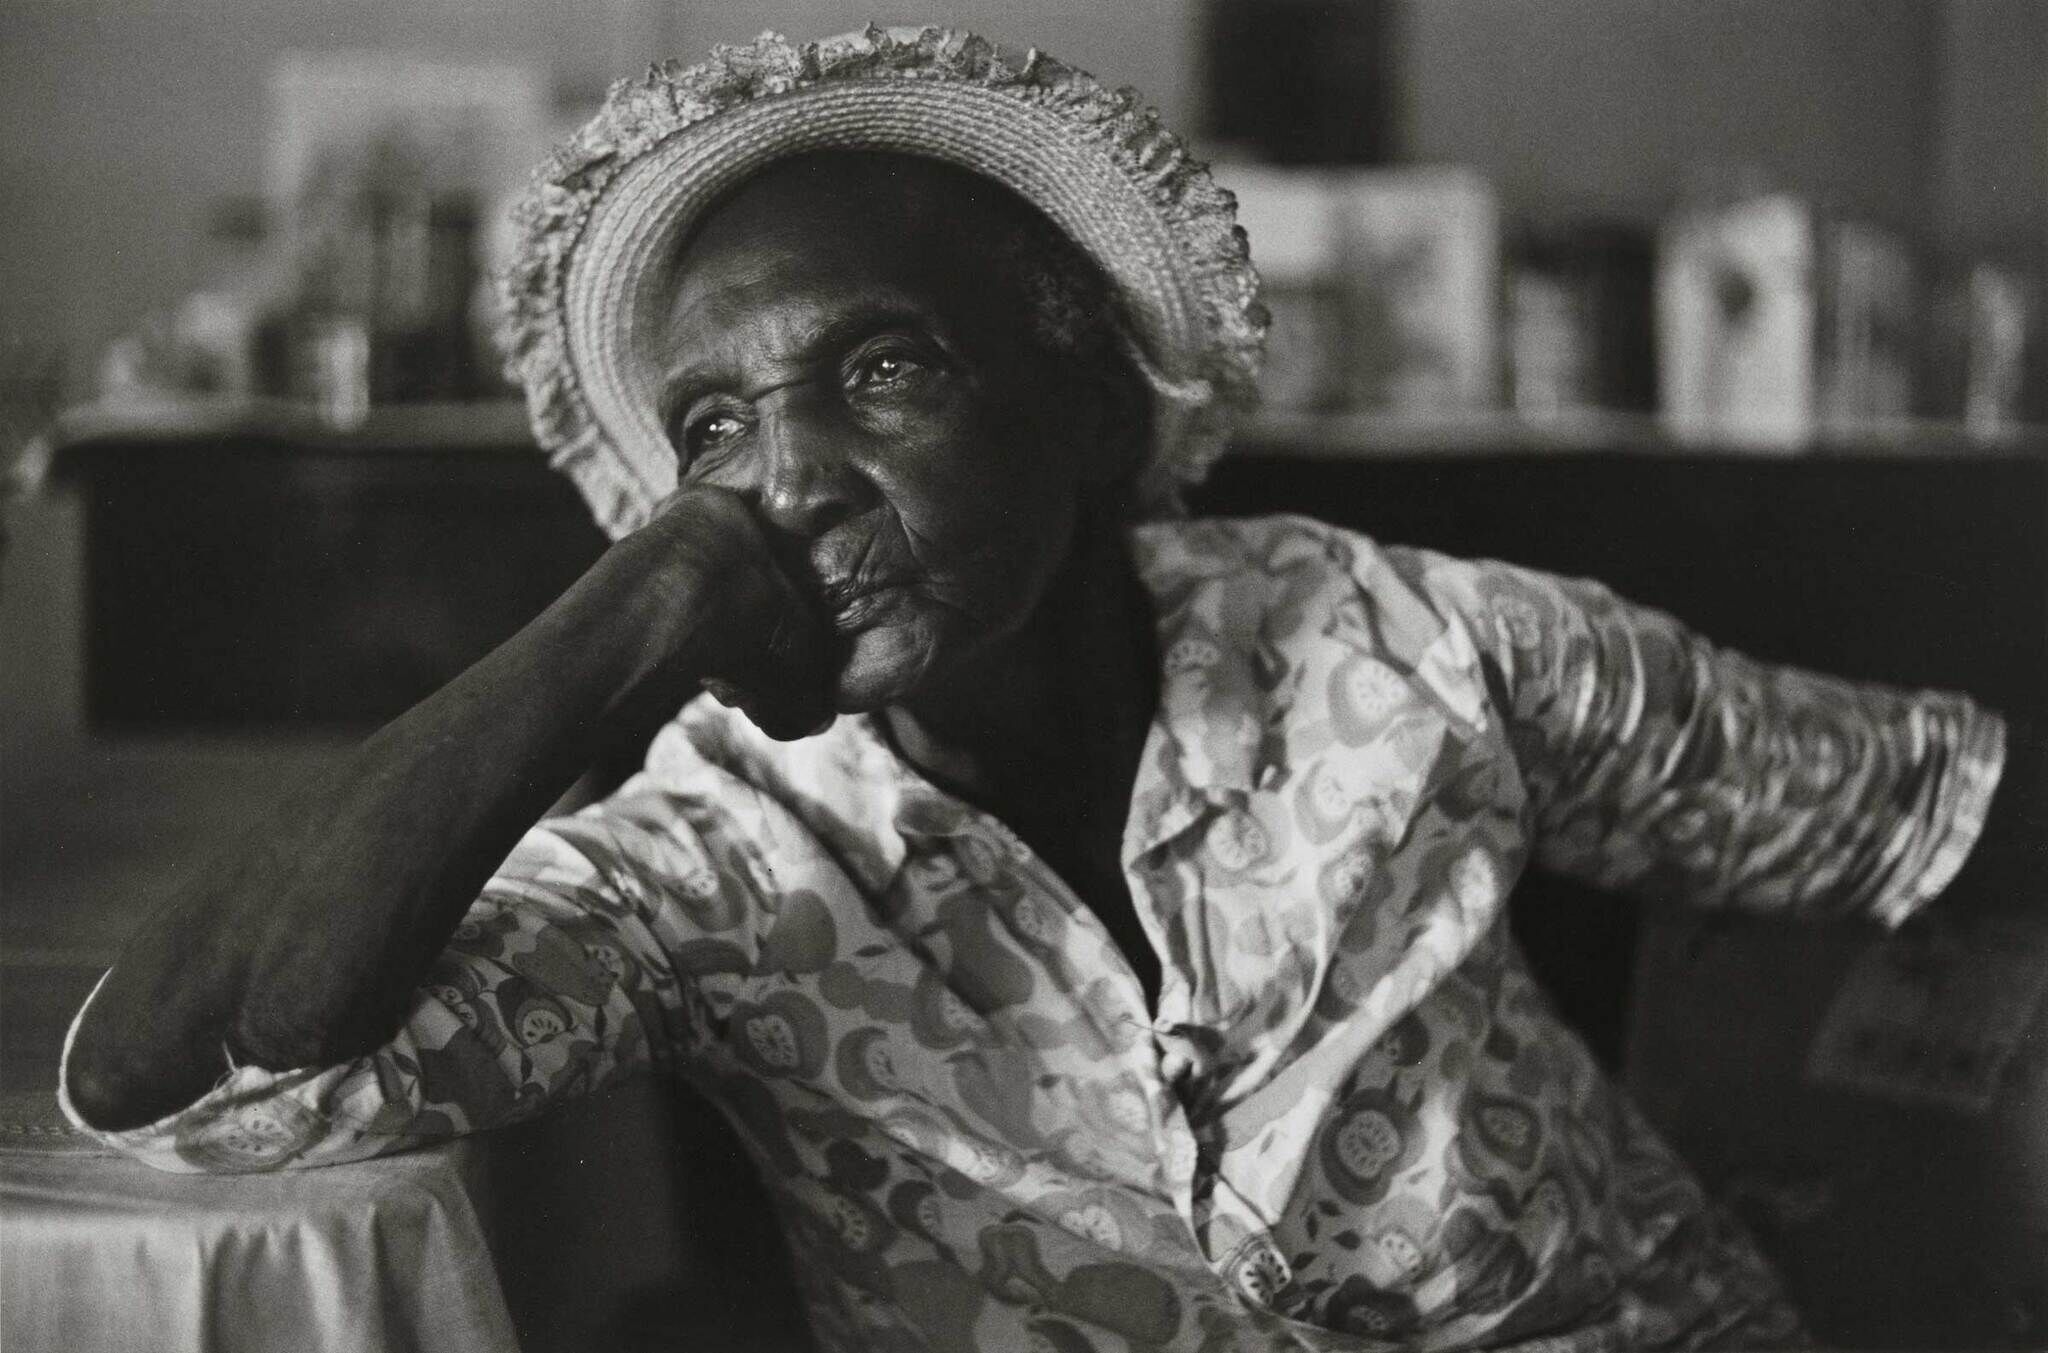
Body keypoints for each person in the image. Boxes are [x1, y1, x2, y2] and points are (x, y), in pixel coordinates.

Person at [60, 27, 2033, 1352]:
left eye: (882, 372)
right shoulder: (709, 855)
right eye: (717, 427)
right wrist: (620, 611)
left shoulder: (1409, 645)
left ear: (1086, 392)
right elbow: (220, 1074)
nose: (794, 473)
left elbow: (1920, 808)